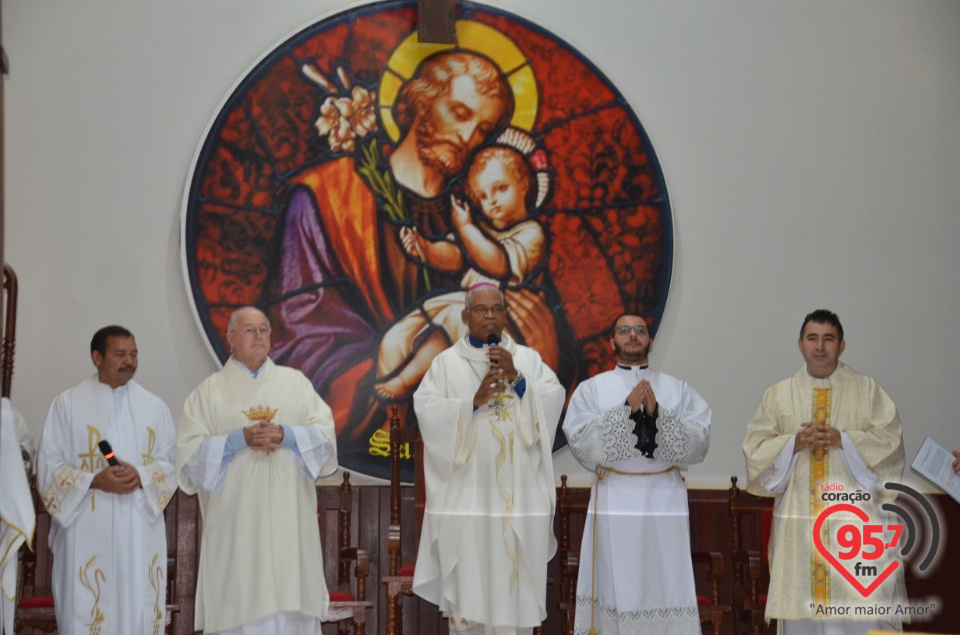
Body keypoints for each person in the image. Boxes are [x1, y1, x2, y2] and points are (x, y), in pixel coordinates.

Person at [412, 283, 564, 635]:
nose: (490, 316)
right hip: (469, 498)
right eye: (481, 310)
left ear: (505, 314)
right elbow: (428, 413)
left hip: (518, 496)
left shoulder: (527, 360)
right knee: (472, 586)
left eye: (497, 309)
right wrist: (471, 404)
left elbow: (552, 401)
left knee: (511, 596)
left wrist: (517, 380)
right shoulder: (445, 365)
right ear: (466, 316)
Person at [176, 306, 338, 635]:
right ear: (231, 338)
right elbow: (189, 459)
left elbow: (325, 441)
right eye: (250, 330)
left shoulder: (297, 384)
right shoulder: (208, 393)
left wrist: (287, 435)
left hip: (289, 531)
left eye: (264, 329)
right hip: (238, 533)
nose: (260, 336)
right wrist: (239, 439)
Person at [743, 309, 906, 634]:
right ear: (800, 344)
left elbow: (890, 442)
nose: (820, 346)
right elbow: (755, 449)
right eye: (812, 338)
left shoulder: (867, 390)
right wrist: (794, 443)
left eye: (828, 339)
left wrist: (843, 440)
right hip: (799, 530)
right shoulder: (779, 395)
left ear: (841, 345)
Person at [561, 313, 711, 635]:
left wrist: (658, 414)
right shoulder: (591, 390)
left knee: (667, 581)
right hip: (614, 496)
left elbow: (699, 444)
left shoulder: (678, 389)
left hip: (664, 500)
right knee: (617, 584)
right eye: (624, 330)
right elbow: (583, 446)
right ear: (612, 341)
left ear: (650, 341)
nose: (633, 335)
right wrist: (626, 410)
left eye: (640, 330)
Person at [375, 130, 549, 400]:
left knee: (457, 321)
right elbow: (456, 255)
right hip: (466, 308)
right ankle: (401, 392)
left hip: (511, 319)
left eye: (500, 188)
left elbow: (497, 263)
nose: (490, 200)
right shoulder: (478, 233)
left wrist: (466, 227)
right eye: (481, 195)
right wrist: (427, 249)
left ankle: (406, 380)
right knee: (407, 332)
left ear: (524, 184)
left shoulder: (530, 232)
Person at [35, 326, 177, 635]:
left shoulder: (155, 408)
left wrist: (140, 475)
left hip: (139, 530)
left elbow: (170, 463)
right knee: (88, 611)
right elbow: (48, 466)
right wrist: (94, 481)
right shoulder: (67, 405)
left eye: (134, 354)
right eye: (120, 354)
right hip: (87, 528)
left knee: (137, 609)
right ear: (96, 357)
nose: (130, 361)